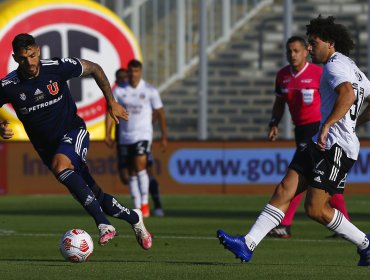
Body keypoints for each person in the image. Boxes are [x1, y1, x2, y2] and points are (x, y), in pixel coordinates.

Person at [217, 15, 370, 266]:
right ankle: (248, 244)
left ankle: (365, 243)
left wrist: (333, 124)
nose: (310, 48)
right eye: (308, 43)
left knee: (315, 209)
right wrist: (356, 123)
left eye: (314, 43)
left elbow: (348, 94)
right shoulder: (353, 67)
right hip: (320, 141)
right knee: (284, 190)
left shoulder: (334, 65)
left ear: (330, 43)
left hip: (336, 147)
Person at [0, 33, 152, 250]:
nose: (30, 62)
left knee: (61, 166)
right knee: (94, 195)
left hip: (73, 131)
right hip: (47, 149)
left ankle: (103, 224)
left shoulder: (57, 67)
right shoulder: (9, 85)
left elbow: (95, 68)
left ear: (38, 51)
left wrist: (111, 102)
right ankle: (134, 218)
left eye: (32, 56)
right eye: (23, 58)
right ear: (16, 58)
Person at [267, 35, 350, 238]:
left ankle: (284, 224)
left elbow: (336, 97)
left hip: (316, 129)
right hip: (300, 129)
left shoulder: (318, 73)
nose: (292, 55)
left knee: (297, 177)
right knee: (323, 183)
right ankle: (345, 226)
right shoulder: (283, 75)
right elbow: (279, 102)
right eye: (289, 51)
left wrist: (331, 125)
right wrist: (274, 123)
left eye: (296, 50)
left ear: (306, 51)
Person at [105, 59, 167, 218]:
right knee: (131, 172)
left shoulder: (150, 90)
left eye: (136, 71)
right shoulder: (120, 91)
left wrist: (164, 136)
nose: (133, 74)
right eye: (131, 71)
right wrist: (108, 133)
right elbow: (111, 112)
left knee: (141, 167)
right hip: (125, 137)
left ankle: (145, 204)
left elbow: (160, 113)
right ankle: (137, 207)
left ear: (140, 72)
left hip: (143, 135)